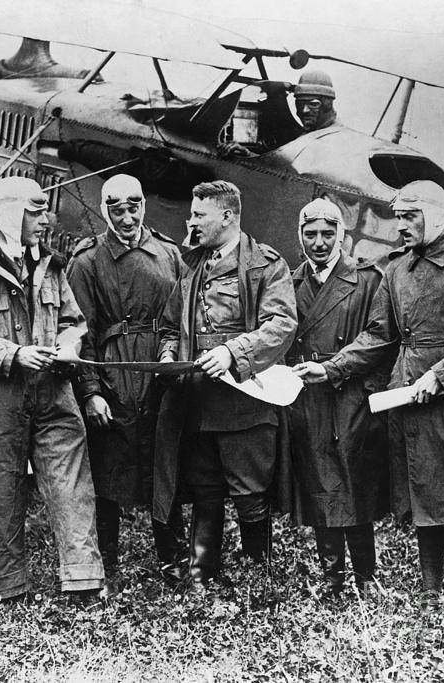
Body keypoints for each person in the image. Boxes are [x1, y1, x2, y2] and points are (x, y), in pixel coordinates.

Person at [296, 180, 444, 607]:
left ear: (437, 216)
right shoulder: (397, 269)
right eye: (398, 216)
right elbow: (380, 337)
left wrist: (442, 376)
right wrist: (330, 368)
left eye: (409, 216)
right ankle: (428, 591)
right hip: (411, 392)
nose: (399, 225)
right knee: (426, 485)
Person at [0, 176, 104, 605]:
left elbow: (72, 319)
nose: (46, 220)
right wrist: (13, 355)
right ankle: (10, 588)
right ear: (10, 212)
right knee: (0, 489)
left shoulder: (51, 263)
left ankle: (84, 581)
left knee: (73, 484)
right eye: (36, 210)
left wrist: (69, 346)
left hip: (53, 391)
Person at [154, 180, 297, 587]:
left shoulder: (267, 265)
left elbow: (282, 324)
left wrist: (233, 352)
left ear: (228, 216)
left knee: (250, 493)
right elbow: (169, 325)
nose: (191, 221)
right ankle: (202, 576)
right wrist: (168, 356)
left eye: (200, 214)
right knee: (204, 488)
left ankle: (257, 577)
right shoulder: (192, 264)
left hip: (244, 403)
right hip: (197, 402)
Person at [67, 174, 187, 584]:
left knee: (163, 463)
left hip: (159, 371)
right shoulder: (86, 262)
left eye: (133, 205)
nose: (126, 215)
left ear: (143, 205)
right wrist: (90, 392)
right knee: (107, 470)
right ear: (103, 210)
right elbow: (78, 333)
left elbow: (181, 317)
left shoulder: (169, 253)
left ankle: (173, 559)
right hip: (112, 372)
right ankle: (106, 562)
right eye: (116, 207)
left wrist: (170, 357)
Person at [286, 198, 388, 599]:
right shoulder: (290, 283)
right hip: (307, 397)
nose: (319, 243)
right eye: (310, 234)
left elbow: (380, 337)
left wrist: (333, 369)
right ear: (300, 237)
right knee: (319, 483)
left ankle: (366, 576)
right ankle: (331, 579)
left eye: (328, 234)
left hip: (350, 394)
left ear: (343, 237)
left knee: (354, 483)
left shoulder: (366, 279)